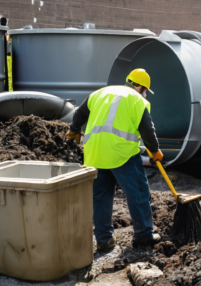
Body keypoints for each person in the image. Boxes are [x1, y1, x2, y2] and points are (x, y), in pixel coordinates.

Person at [66, 68, 164, 251]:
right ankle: (144, 235)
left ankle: (104, 240)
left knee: (100, 197)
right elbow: (147, 130)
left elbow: (79, 115)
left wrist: (73, 131)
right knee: (138, 194)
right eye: (146, 91)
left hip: (95, 154)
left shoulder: (99, 93)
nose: (145, 94)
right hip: (122, 155)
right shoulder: (137, 100)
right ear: (141, 87)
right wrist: (155, 151)